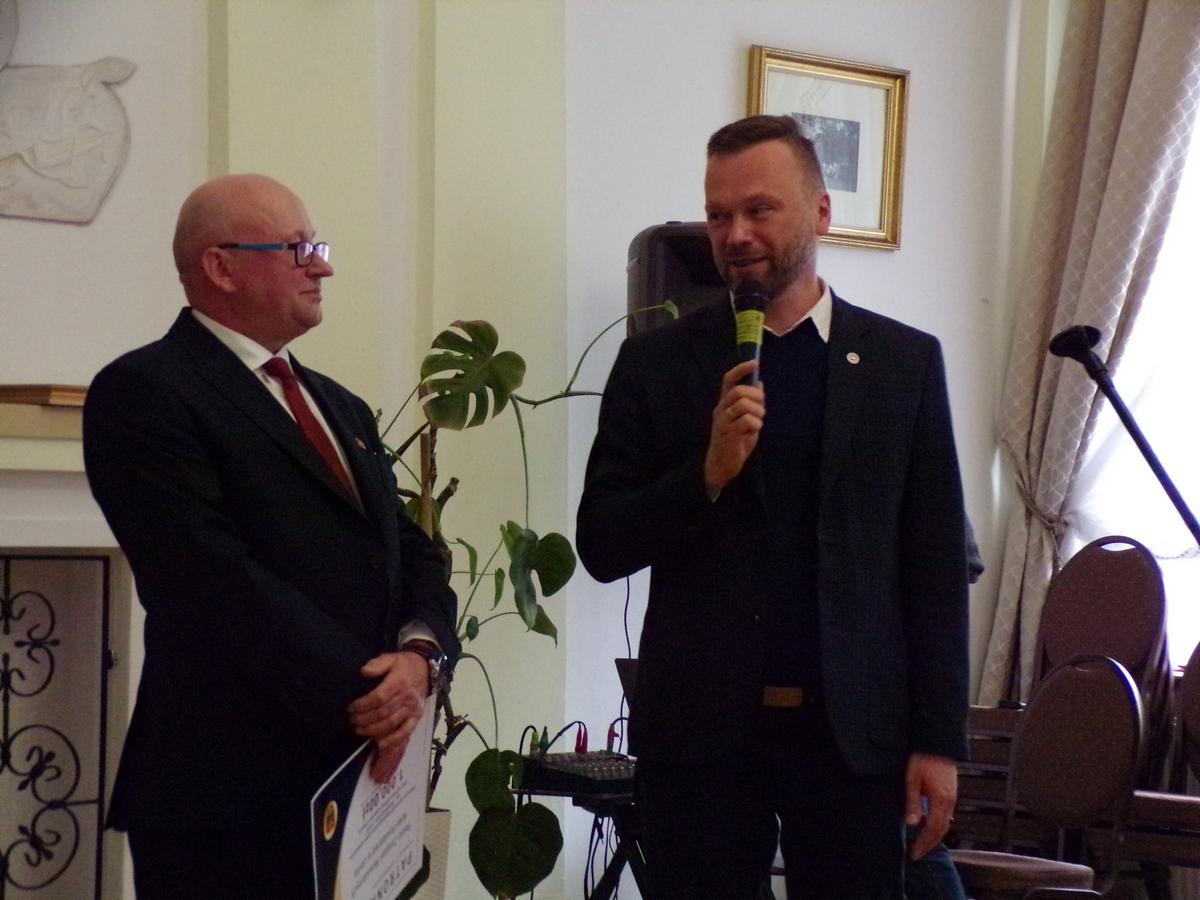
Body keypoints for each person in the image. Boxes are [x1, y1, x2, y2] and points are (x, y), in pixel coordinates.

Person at [576, 115, 969, 899]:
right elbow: (602, 542)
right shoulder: (656, 363)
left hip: (854, 742)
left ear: (821, 212)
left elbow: (933, 568)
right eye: (718, 215)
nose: (736, 235)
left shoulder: (903, 364)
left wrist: (938, 742)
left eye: (760, 210)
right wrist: (706, 475)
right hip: (701, 741)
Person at [83, 174, 460, 899]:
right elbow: (209, 579)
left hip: (355, 784)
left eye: (318, 247)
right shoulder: (145, 392)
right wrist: (371, 694)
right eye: (297, 249)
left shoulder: (340, 405)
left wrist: (420, 656)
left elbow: (410, 550)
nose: (322, 267)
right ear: (221, 267)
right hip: (228, 795)